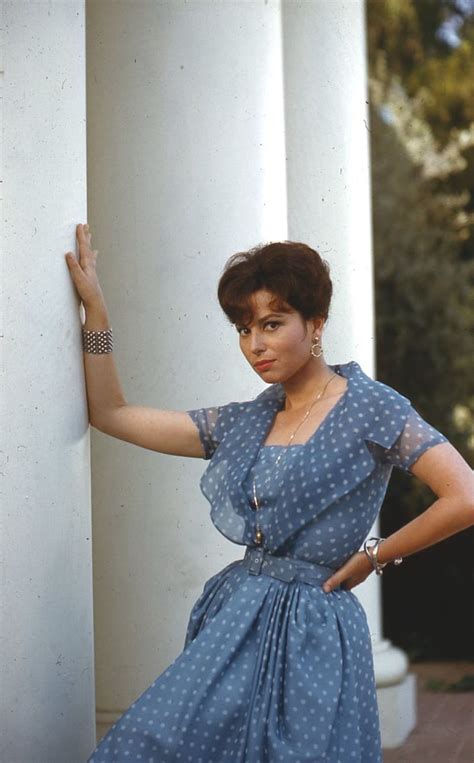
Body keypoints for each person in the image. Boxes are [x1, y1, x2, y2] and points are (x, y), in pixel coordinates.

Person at [65, 223, 474, 763]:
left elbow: (464, 495)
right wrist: (96, 310)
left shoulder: (373, 406)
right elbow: (111, 413)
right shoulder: (245, 421)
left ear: (316, 324)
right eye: (243, 328)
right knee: (146, 744)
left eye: (272, 324)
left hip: (314, 628)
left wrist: (375, 555)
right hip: (237, 617)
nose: (254, 345)